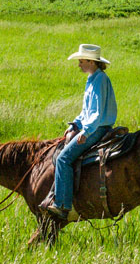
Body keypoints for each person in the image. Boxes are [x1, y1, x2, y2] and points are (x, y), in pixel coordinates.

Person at [39, 43, 118, 219]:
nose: (79, 64)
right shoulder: (92, 79)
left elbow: (96, 113)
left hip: (97, 128)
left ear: (91, 61)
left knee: (63, 159)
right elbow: (86, 111)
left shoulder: (99, 80)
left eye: (81, 61)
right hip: (92, 126)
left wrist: (86, 132)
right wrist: (75, 124)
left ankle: (63, 204)